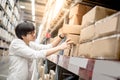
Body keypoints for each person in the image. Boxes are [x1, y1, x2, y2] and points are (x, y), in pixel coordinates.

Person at [7, 21, 73, 80]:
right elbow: (36, 54)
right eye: (31, 33)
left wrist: (61, 36)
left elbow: (48, 47)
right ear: (23, 35)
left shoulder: (29, 43)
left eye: (34, 32)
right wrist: (60, 47)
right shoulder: (16, 44)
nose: (34, 35)